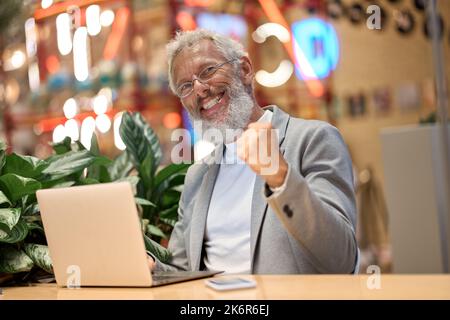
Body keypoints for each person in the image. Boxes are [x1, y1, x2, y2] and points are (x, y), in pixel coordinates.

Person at [147, 29, 358, 274]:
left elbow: (341, 259)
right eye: (185, 86)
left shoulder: (313, 140)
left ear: (245, 69)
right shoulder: (197, 175)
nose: (199, 90)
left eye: (208, 71)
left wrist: (280, 177)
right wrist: (152, 267)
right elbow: (182, 271)